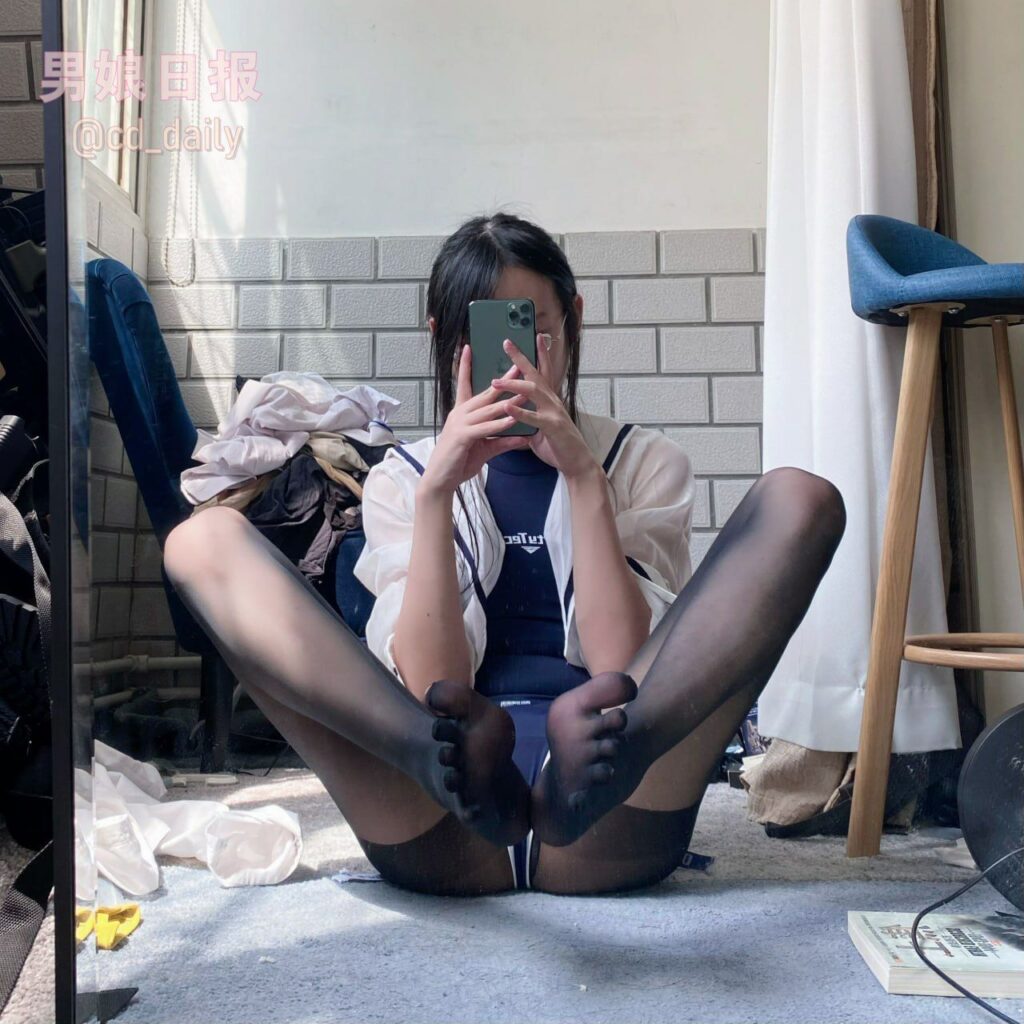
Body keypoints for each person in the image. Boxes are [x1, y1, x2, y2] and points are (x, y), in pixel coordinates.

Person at [163, 212, 847, 897]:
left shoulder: (642, 461)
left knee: (801, 498)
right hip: (443, 810)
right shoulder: (406, 478)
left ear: (574, 320)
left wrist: (584, 479)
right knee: (201, 541)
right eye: (486, 335)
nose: (513, 357)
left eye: (532, 329)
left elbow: (619, 668)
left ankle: (602, 763)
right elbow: (434, 682)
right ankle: (423, 755)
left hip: (611, 801)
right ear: (444, 338)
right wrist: (437, 493)